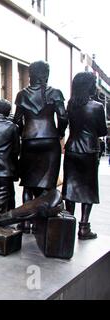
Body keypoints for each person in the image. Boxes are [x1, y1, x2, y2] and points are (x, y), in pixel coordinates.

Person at [13, 61, 67, 232]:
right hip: (50, 140)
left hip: (30, 140)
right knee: (48, 184)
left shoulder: (22, 94)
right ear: (46, 74)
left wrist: (23, 133)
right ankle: (42, 221)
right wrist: (59, 132)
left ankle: (25, 222)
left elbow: (16, 120)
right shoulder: (55, 93)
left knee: (28, 183)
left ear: (31, 75)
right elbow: (63, 117)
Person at [62, 72, 108, 240]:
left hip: (72, 148)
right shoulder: (96, 106)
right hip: (89, 150)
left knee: (70, 188)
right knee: (88, 188)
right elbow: (102, 131)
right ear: (89, 85)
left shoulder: (71, 104)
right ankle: (84, 227)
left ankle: (67, 224)